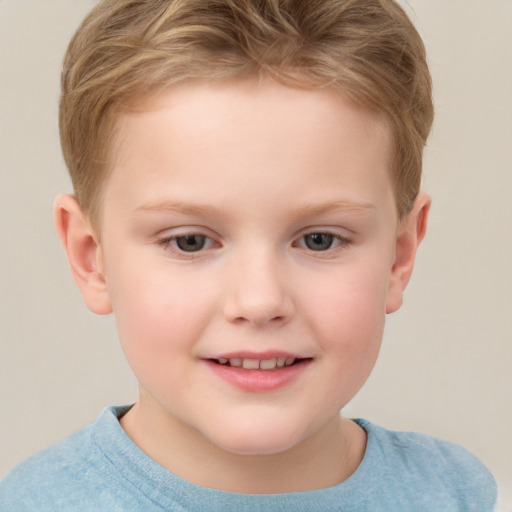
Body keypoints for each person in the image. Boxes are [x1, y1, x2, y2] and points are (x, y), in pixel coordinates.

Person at [0, 0, 497, 510]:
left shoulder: (459, 494)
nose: (259, 301)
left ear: (399, 254)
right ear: (91, 257)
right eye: (189, 241)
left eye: (320, 239)